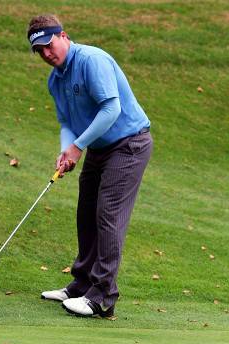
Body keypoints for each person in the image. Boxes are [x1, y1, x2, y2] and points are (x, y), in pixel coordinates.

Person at [27, 14, 153, 318]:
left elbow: (112, 109)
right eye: (39, 51)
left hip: (129, 145)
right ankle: (81, 285)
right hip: (98, 148)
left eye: (49, 44)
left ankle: (102, 296)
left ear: (63, 36)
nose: (46, 53)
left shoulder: (91, 60)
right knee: (86, 214)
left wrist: (77, 146)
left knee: (108, 215)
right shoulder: (55, 80)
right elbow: (66, 123)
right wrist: (65, 150)